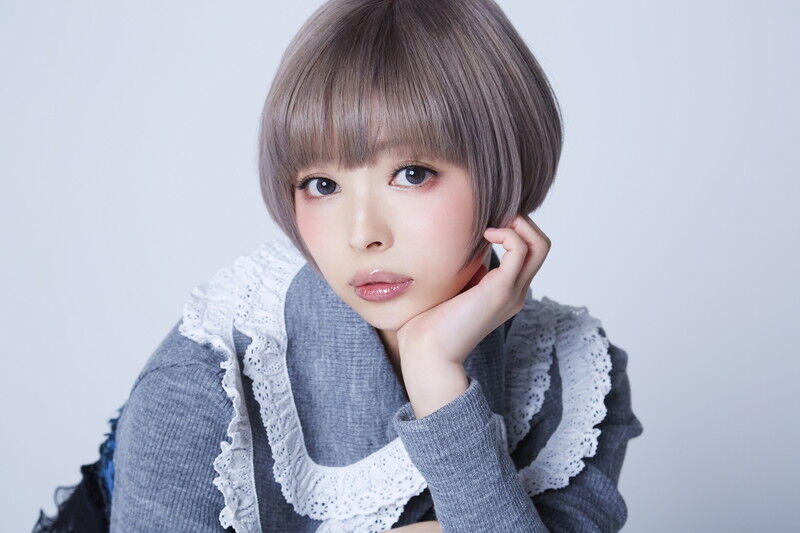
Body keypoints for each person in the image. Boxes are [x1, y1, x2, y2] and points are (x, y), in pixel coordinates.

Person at [33, 0, 644, 531]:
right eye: (322, 185)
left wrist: (436, 375)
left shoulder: (572, 378)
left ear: (503, 168)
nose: (361, 234)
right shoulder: (212, 373)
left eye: (411, 174)